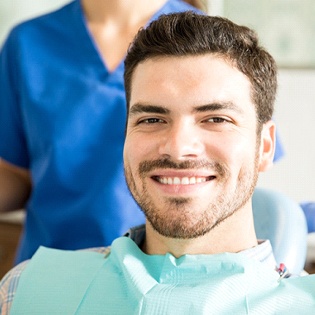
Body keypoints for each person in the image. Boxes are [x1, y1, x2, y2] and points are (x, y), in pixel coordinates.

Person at [0, 11, 313, 314]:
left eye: (216, 118)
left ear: (266, 146)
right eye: (151, 118)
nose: (177, 149)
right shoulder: (26, 291)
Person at [0, 0, 205, 264]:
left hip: (162, 271)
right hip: (51, 265)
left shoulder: (205, 39)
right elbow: (19, 175)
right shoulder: (28, 43)